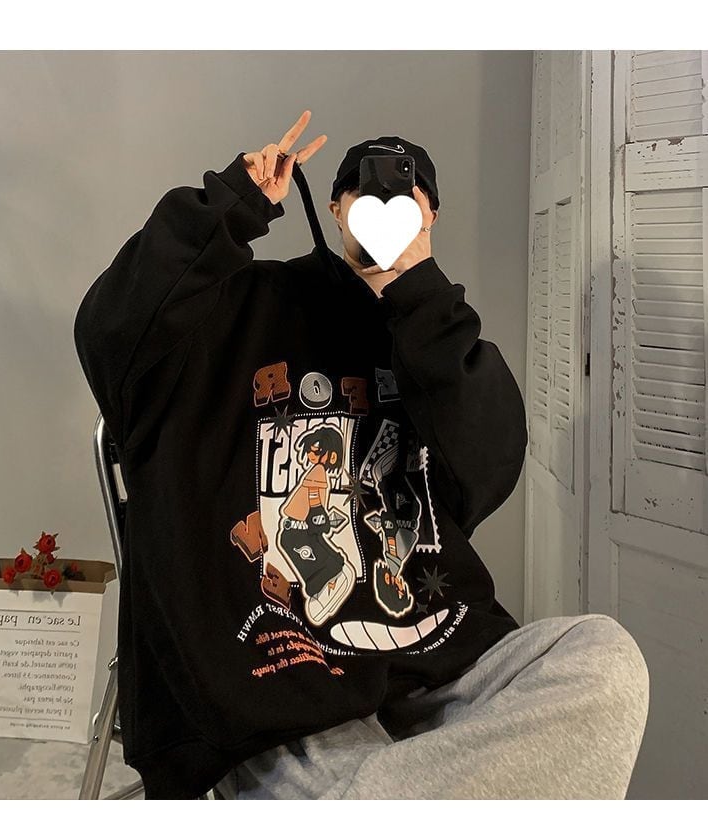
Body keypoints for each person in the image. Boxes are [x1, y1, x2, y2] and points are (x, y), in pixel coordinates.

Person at [74, 109, 649, 799]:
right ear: (335, 208)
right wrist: (231, 205)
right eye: (362, 192)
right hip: (282, 671)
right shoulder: (239, 304)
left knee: (606, 661)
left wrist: (416, 289)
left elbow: (484, 473)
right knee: (358, 774)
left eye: (407, 196)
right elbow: (110, 332)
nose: (384, 206)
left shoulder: (435, 334)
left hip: (433, 654)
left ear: (431, 216)